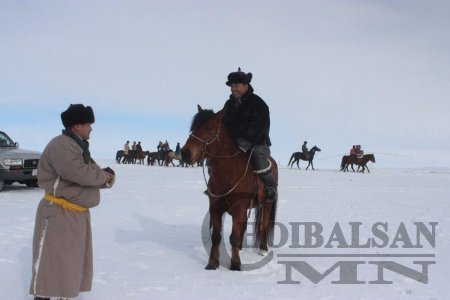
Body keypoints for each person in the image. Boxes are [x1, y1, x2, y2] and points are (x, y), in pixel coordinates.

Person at [30, 104, 115, 300]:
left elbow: (91, 173)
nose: (91, 128)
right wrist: (102, 175)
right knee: (51, 265)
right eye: (88, 124)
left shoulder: (78, 146)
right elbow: (81, 173)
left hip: (75, 215)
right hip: (58, 214)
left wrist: (103, 176)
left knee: (69, 265)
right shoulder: (61, 144)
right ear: (76, 126)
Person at [222, 68, 277, 202]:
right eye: (232, 86)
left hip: (256, 142)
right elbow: (223, 123)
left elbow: (259, 127)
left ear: (245, 85)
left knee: (260, 161)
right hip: (233, 143)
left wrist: (244, 143)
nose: (233, 89)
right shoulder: (229, 104)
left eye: (236, 85)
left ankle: (271, 188)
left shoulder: (258, 104)